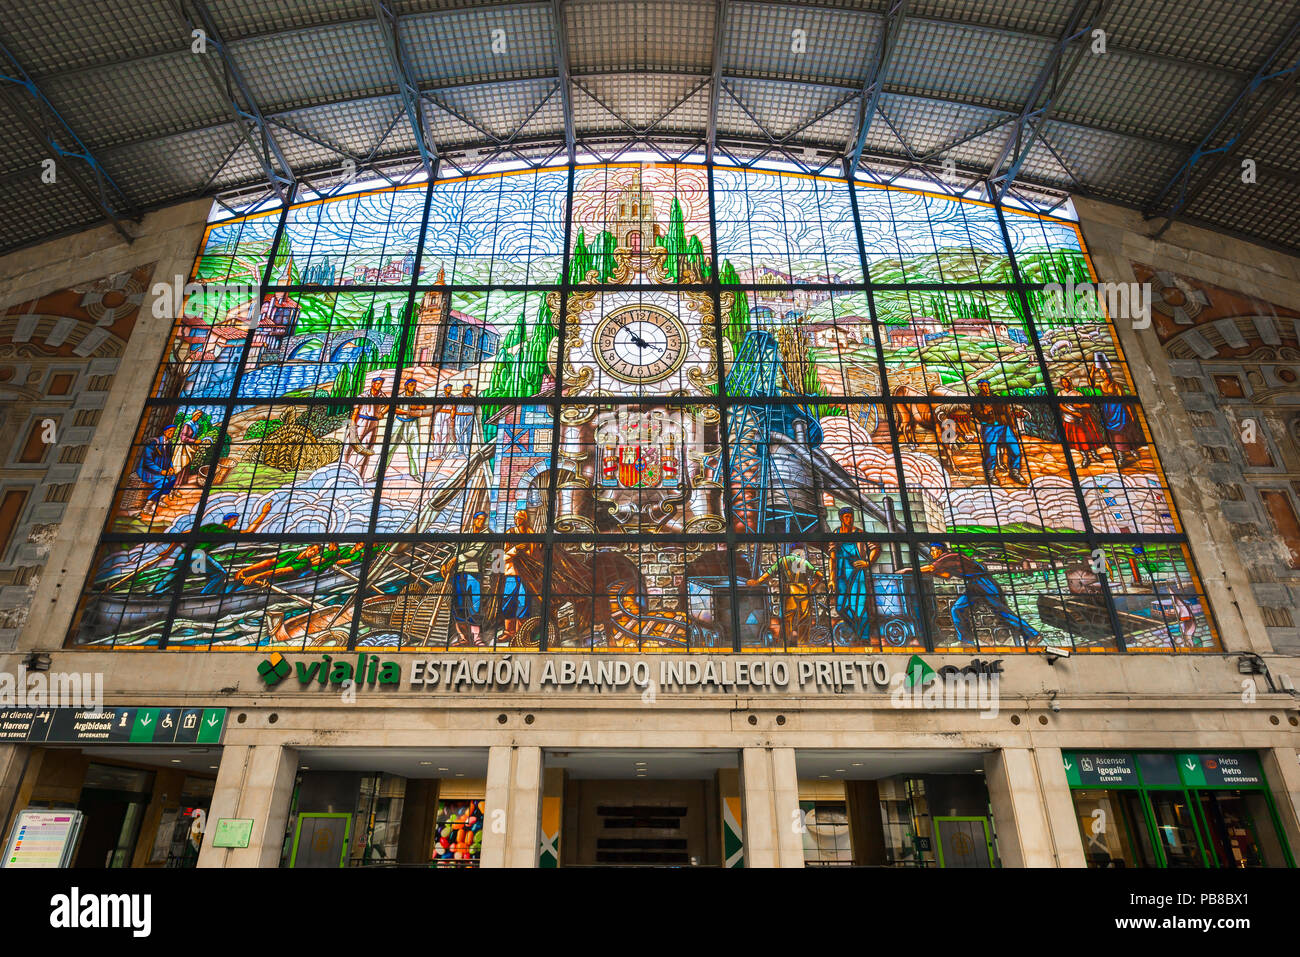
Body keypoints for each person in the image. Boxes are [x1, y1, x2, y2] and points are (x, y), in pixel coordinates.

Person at [140, 500, 275, 596]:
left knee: (173, 577)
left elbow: (184, 535)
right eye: (235, 521)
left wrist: (168, 551)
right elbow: (249, 532)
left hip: (184, 555)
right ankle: (204, 596)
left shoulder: (207, 526)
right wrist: (263, 513)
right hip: (197, 556)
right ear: (231, 521)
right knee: (220, 574)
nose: (236, 523)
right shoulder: (225, 531)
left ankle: (153, 596)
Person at [918, 542, 1038, 646]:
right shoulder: (947, 560)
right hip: (974, 584)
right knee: (957, 609)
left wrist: (912, 569)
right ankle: (967, 641)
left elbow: (931, 568)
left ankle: (1033, 634)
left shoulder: (948, 557)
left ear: (940, 550)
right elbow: (946, 575)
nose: (931, 554)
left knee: (1002, 612)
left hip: (983, 582)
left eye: (933, 551)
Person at [746, 543, 826, 645]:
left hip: (789, 591)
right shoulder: (804, 562)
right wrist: (812, 586)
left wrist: (757, 582)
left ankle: (783, 643)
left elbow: (769, 573)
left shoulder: (782, 561)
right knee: (804, 619)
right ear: (800, 552)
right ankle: (803, 643)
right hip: (804, 592)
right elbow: (820, 576)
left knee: (787, 618)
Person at [441, 511, 493, 646]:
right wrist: (445, 562)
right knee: (458, 606)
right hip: (458, 574)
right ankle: (463, 638)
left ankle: (477, 638)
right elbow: (456, 550)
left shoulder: (487, 534)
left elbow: (474, 552)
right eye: (478, 519)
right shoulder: (467, 532)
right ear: (474, 520)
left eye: (483, 520)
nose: (480, 522)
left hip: (473, 573)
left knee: (474, 605)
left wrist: (455, 560)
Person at [829, 508, 880, 643]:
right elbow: (832, 557)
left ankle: (864, 637)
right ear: (841, 518)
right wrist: (831, 579)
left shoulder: (859, 533)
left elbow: (875, 547)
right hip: (841, 574)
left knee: (860, 606)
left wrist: (867, 562)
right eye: (846, 516)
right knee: (840, 607)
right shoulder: (836, 533)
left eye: (851, 516)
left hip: (857, 573)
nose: (849, 519)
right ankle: (856, 630)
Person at [971, 379, 1029, 485]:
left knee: (1016, 451)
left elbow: (1007, 411)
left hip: (1004, 426)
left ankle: (1015, 472)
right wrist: (984, 411)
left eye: (986, 385)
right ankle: (990, 474)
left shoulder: (997, 398)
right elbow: (976, 415)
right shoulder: (977, 401)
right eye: (982, 386)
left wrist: (1013, 426)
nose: (985, 388)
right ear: (979, 387)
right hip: (989, 427)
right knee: (991, 453)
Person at [1089, 363, 1143, 468]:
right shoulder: (1101, 384)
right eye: (1101, 373)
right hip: (1108, 410)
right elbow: (1091, 384)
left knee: (1124, 431)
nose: (1103, 375)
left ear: (1108, 373)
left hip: (1118, 409)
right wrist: (1092, 372)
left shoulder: (1116, 384)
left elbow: (1124, 399)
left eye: (1104, 372)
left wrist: (1130, 413)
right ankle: (1121, 456)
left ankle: (1132, 450)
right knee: (1114, 434)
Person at [499, 509, 541, 643]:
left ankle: (520, 633)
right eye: (516, 518)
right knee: (508, 601)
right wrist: (516, 550)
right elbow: (501, 557)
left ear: (525, 519)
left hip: (526, 575)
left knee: (523, 603)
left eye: (520, 518)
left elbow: (535, 555)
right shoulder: (509, 533)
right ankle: (508, 632)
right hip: (511, 573)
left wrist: (527, 552)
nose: (518, 520)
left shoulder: (531, 533)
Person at [382, 379, 432, 480]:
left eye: (414, 384)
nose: (413, 386)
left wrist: (415, 407)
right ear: (406, 386)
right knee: (389, 448)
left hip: (413, 423)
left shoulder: (420, 395)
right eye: (411, 385)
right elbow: (394, 409)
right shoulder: (399, 396)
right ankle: (378, 474)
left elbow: (424, 407)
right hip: (399, 422)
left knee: (414, 448)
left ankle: (415, 473)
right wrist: (407, 412)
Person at [1057, 376, 1105, 466]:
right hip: (1069, 419)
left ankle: (1094, 454)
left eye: (1066, 382)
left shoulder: (1077, 393)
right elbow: (1061, 406)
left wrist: (1080, 406)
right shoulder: (1060, 393)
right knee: (1078, 440)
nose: (1064, 384)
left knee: (1087, 438)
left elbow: (1088, 405)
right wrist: (1073, 413)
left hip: (1082, 419)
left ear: (1069, 382)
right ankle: (1085, 457)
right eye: (1063, 382)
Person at [345, 377, 386, 479]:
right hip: (361, 421)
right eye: (377, 383)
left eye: (380, 384)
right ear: (372, 384)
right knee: (349, 445)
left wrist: (382, 413)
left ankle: (358, 475)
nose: (379, 386)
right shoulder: (363, 395)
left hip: (373, 422)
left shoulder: (382, 395)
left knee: (366, 448)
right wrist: (352, 426)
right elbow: (355, 412)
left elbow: (389, 404)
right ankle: (341, 468)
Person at [137, 425, 179, 505]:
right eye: (170, 431)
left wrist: (170, 468)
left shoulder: (169, 444)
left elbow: (169, 458)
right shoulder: (154, 443)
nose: (172, 433)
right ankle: (148, 505)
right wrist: (160, 471)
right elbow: (148, 461)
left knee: (173, 478)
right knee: (164, 481)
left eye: (173, 431)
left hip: (161, 471)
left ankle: (160, 499)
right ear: (165, 432)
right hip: (148, 471)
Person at [453, 383, 478, 458]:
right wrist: (452, 418)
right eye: (467, 388)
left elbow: (476, 407)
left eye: (469, 388)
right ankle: (460, 451)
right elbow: (454, 407)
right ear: (463, 388)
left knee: (468, 434)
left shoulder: (473, 398)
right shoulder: (457, 397)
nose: (468, 389)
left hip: (469, 417)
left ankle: (467, 452)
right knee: (458, 433)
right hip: (459, 416)